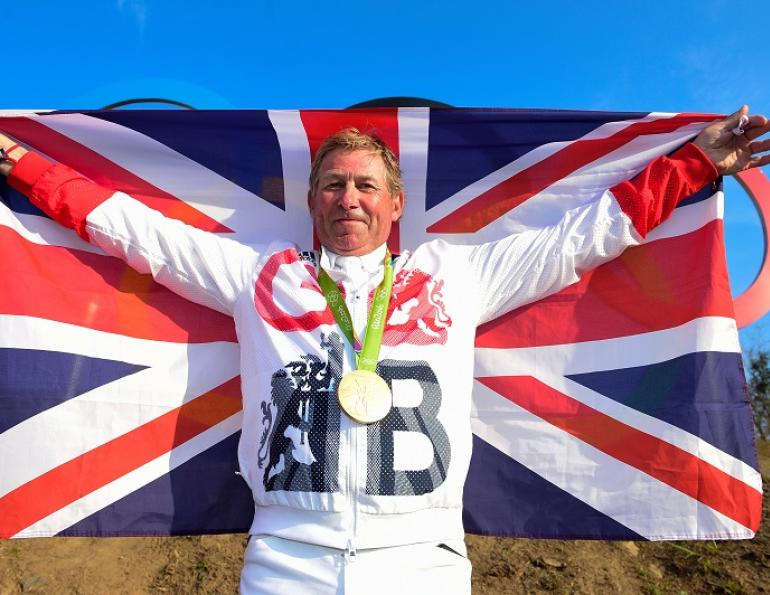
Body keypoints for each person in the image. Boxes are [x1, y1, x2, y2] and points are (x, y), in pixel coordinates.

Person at [1, 106, 769, 594]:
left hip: (424, 560)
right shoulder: (257, 275)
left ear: (396, 203)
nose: (350, 199)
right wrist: (19, 162)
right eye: (334, 185)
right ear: (312, 201)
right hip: (284, 559)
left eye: (366, 185)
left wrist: (693, 164)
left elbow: (583, 236)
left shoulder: (457, 275)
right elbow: (134, 230)